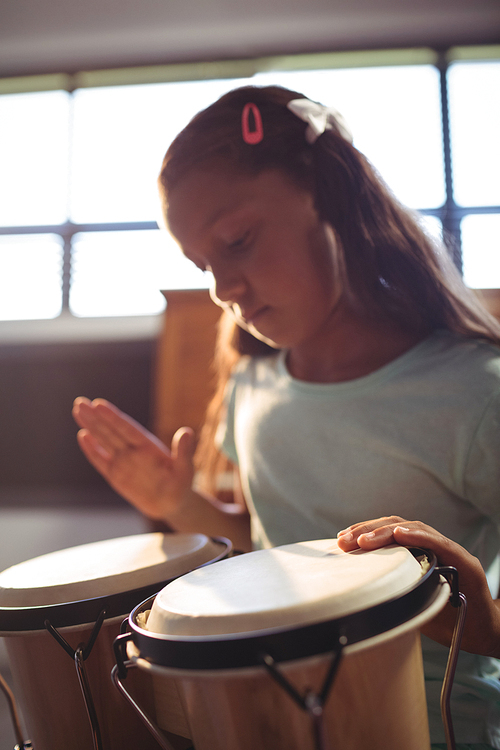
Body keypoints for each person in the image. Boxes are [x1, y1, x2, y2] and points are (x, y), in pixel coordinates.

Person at [72, 85, 500, 749]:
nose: (222, 288)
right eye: (202, 265)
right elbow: (268, 548)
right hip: (270, 718)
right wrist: (178, 502)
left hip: (435, 724)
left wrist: (483, 622)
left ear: (330, 195)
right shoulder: (253, 387)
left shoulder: (473, 392)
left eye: (237, 239)